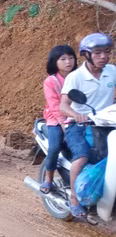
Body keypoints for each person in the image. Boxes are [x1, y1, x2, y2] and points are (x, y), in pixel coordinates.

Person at [58, 32, 115, 218]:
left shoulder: (112, 71)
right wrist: (77, 115)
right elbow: (63, 105)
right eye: (98, 52)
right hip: (80, 126)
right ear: (87, 54)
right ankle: (74, 199)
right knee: (82, 156)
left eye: (106, 52)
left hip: (107, 124)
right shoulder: (75, 77)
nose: (103, 56)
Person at [40, 45, 77, 194]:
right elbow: (54, 105)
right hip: (55, 119)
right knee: (54, 147)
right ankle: (48, 179)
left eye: (71, 58)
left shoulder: (79, 77)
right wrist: (64, 124)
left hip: (77, 116)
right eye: (63, 59)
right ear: (54, 62)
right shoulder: (51, 81)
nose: (68, 62)